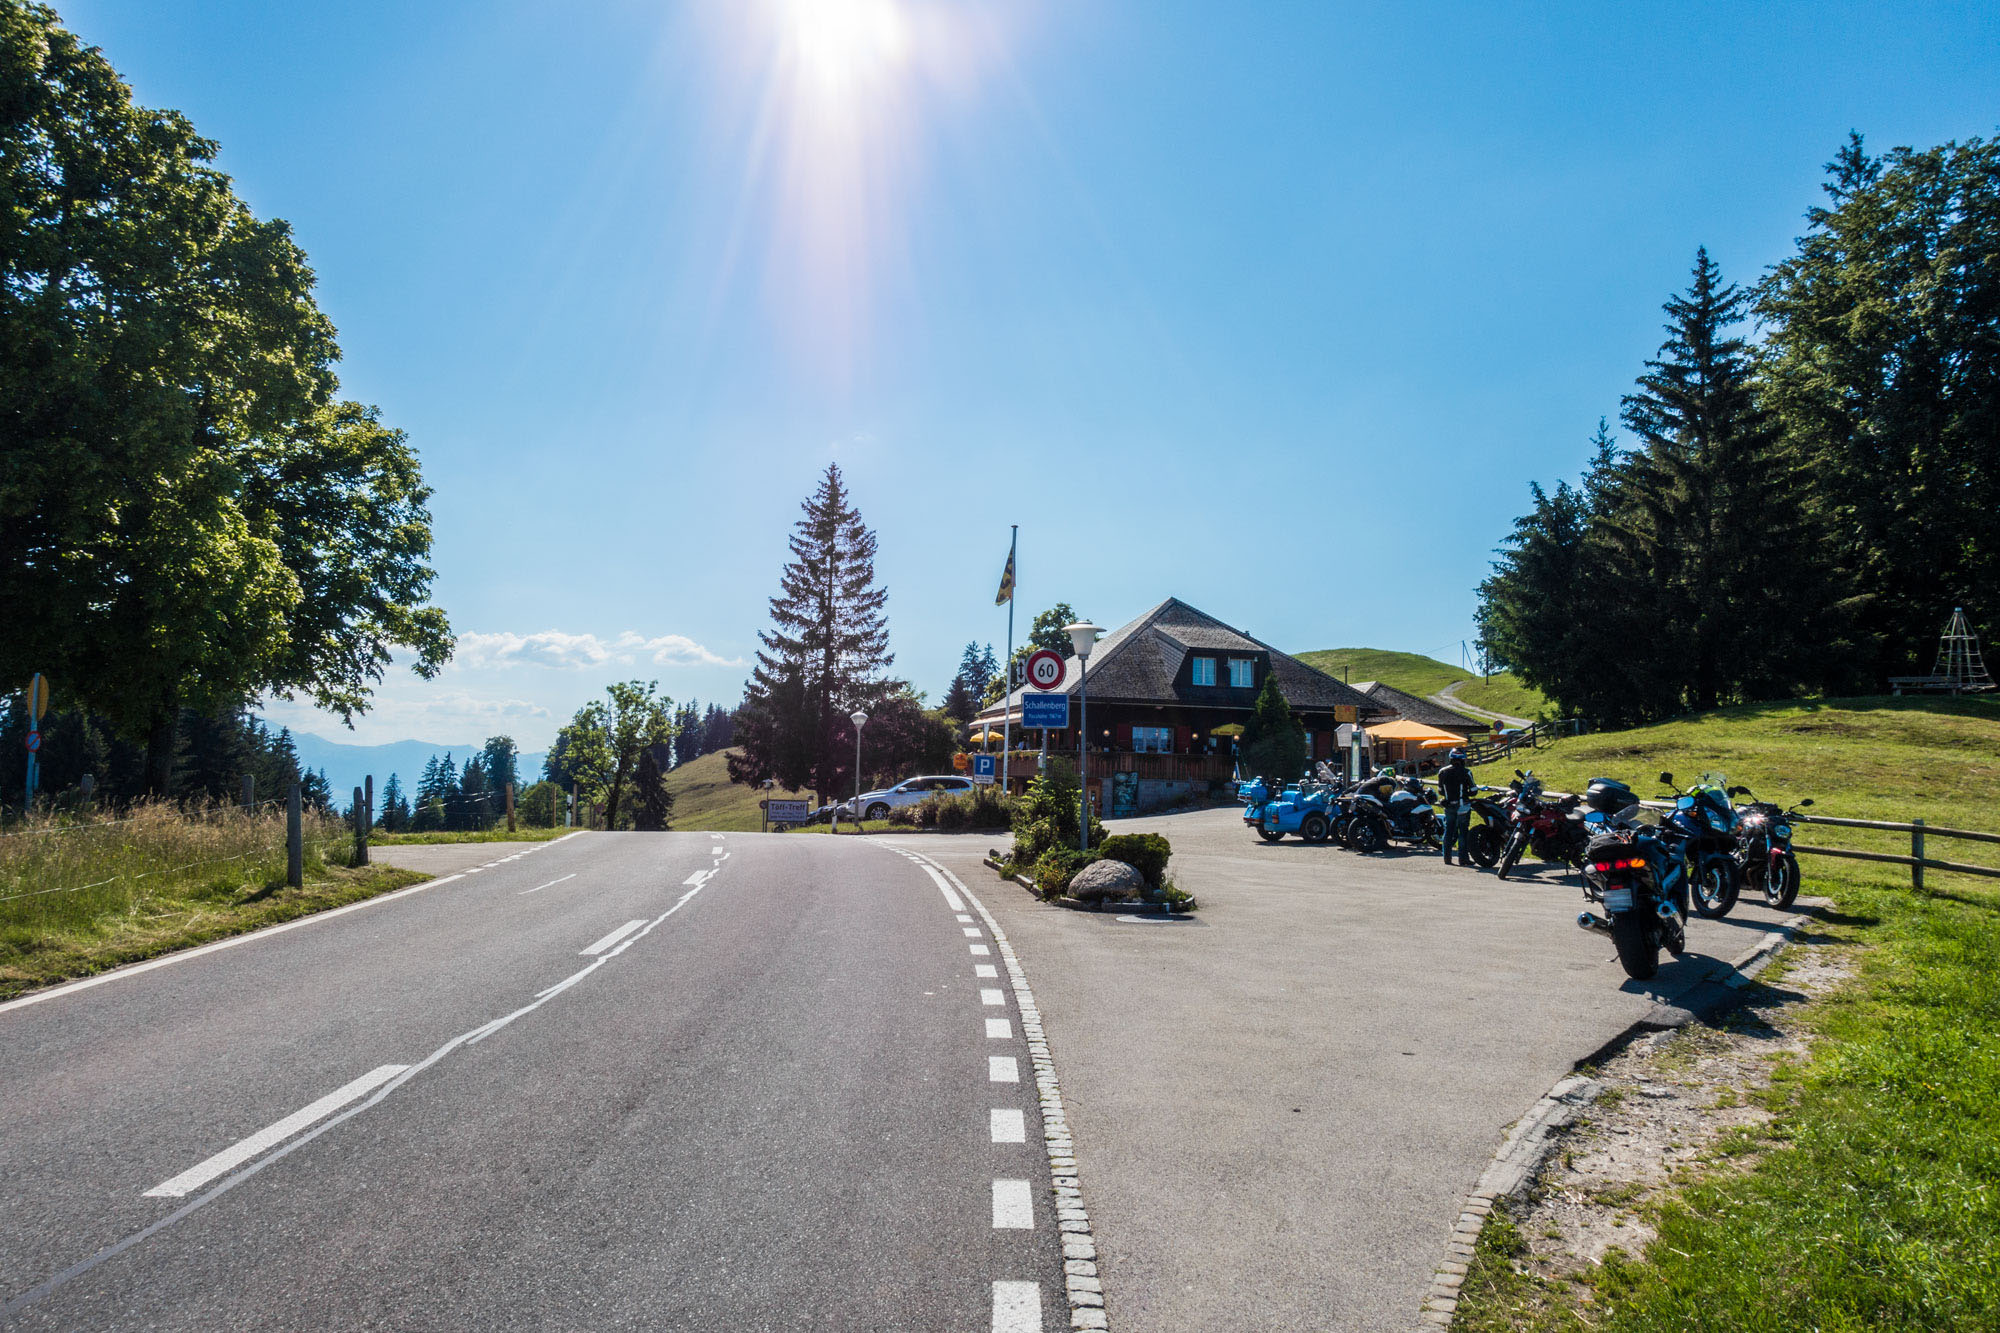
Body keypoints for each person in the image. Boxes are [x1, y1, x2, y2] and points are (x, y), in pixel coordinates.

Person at [1438, 748, 1475, 866]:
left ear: (1451, 759)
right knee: (1463, 833)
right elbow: (1474, 790)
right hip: (1463, 806)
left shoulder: (1442, 772)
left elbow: (1440, 790)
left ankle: (1447, 858)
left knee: (1448, 831)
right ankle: (1463, 859)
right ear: (1463, 760)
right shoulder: (1466, 772)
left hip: (1448, 805)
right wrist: (1466, 793)